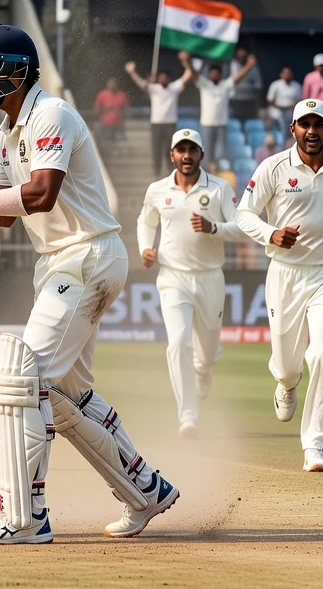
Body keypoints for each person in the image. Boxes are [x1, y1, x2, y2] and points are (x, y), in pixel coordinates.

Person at [0, 24, 178, 545]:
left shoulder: (51, 114)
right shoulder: (5, 133)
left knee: (24, 379)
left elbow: (39, 194)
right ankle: (145, 488)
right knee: (68, 395)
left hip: (85, 255)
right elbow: (1, 213)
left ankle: (24, 515)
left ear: (14, 72)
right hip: (63, 260)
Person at [235, 99, 323, 472]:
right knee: (286, 367)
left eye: (319, 124)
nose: (312, 131)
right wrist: (272, 234)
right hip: (284, 273)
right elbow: (244, 214)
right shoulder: (273, 167)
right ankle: (286, 383)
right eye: (305, 124)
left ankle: (313, 446)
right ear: (293, 129)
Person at [137, 128, 243, 438]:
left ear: (201, 154)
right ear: (172, 155)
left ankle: (204, 368)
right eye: (180, 150)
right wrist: (145, 248)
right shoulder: (158, 189)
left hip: (210, 276)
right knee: (178, 343)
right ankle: (188, 416)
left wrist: (214, 228)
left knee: (206, 351)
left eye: (192, 149)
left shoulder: (221, 188)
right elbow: (146, 221)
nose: (186, 155)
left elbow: (241, 226)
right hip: (172, 277)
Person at [182, 53, 255, 168]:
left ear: (220, 75)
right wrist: (187, 62)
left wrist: (249, 66)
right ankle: (206, 174)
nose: (214, 75)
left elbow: (237, 78)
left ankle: (216, 173)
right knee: (205, 153)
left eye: (217, 74)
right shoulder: (204, 84)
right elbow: (194, 74)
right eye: (212, 73)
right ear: (209, 75)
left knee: (219, 153)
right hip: (206, 124)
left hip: (221, 124)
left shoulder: (225, 86)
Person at [123, 60, 186, 175]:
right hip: (156, 123)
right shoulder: (154, 88)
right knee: (156, 148)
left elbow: (185, 78)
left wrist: (186, 63)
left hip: (170, 123)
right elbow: (141, 83)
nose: (163, 79)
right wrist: (133, 72)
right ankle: (156, 170)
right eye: (161, 77)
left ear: (168, 79)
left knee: (170, 148)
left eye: (165, 77)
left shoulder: (173, 88)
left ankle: (170, 170)